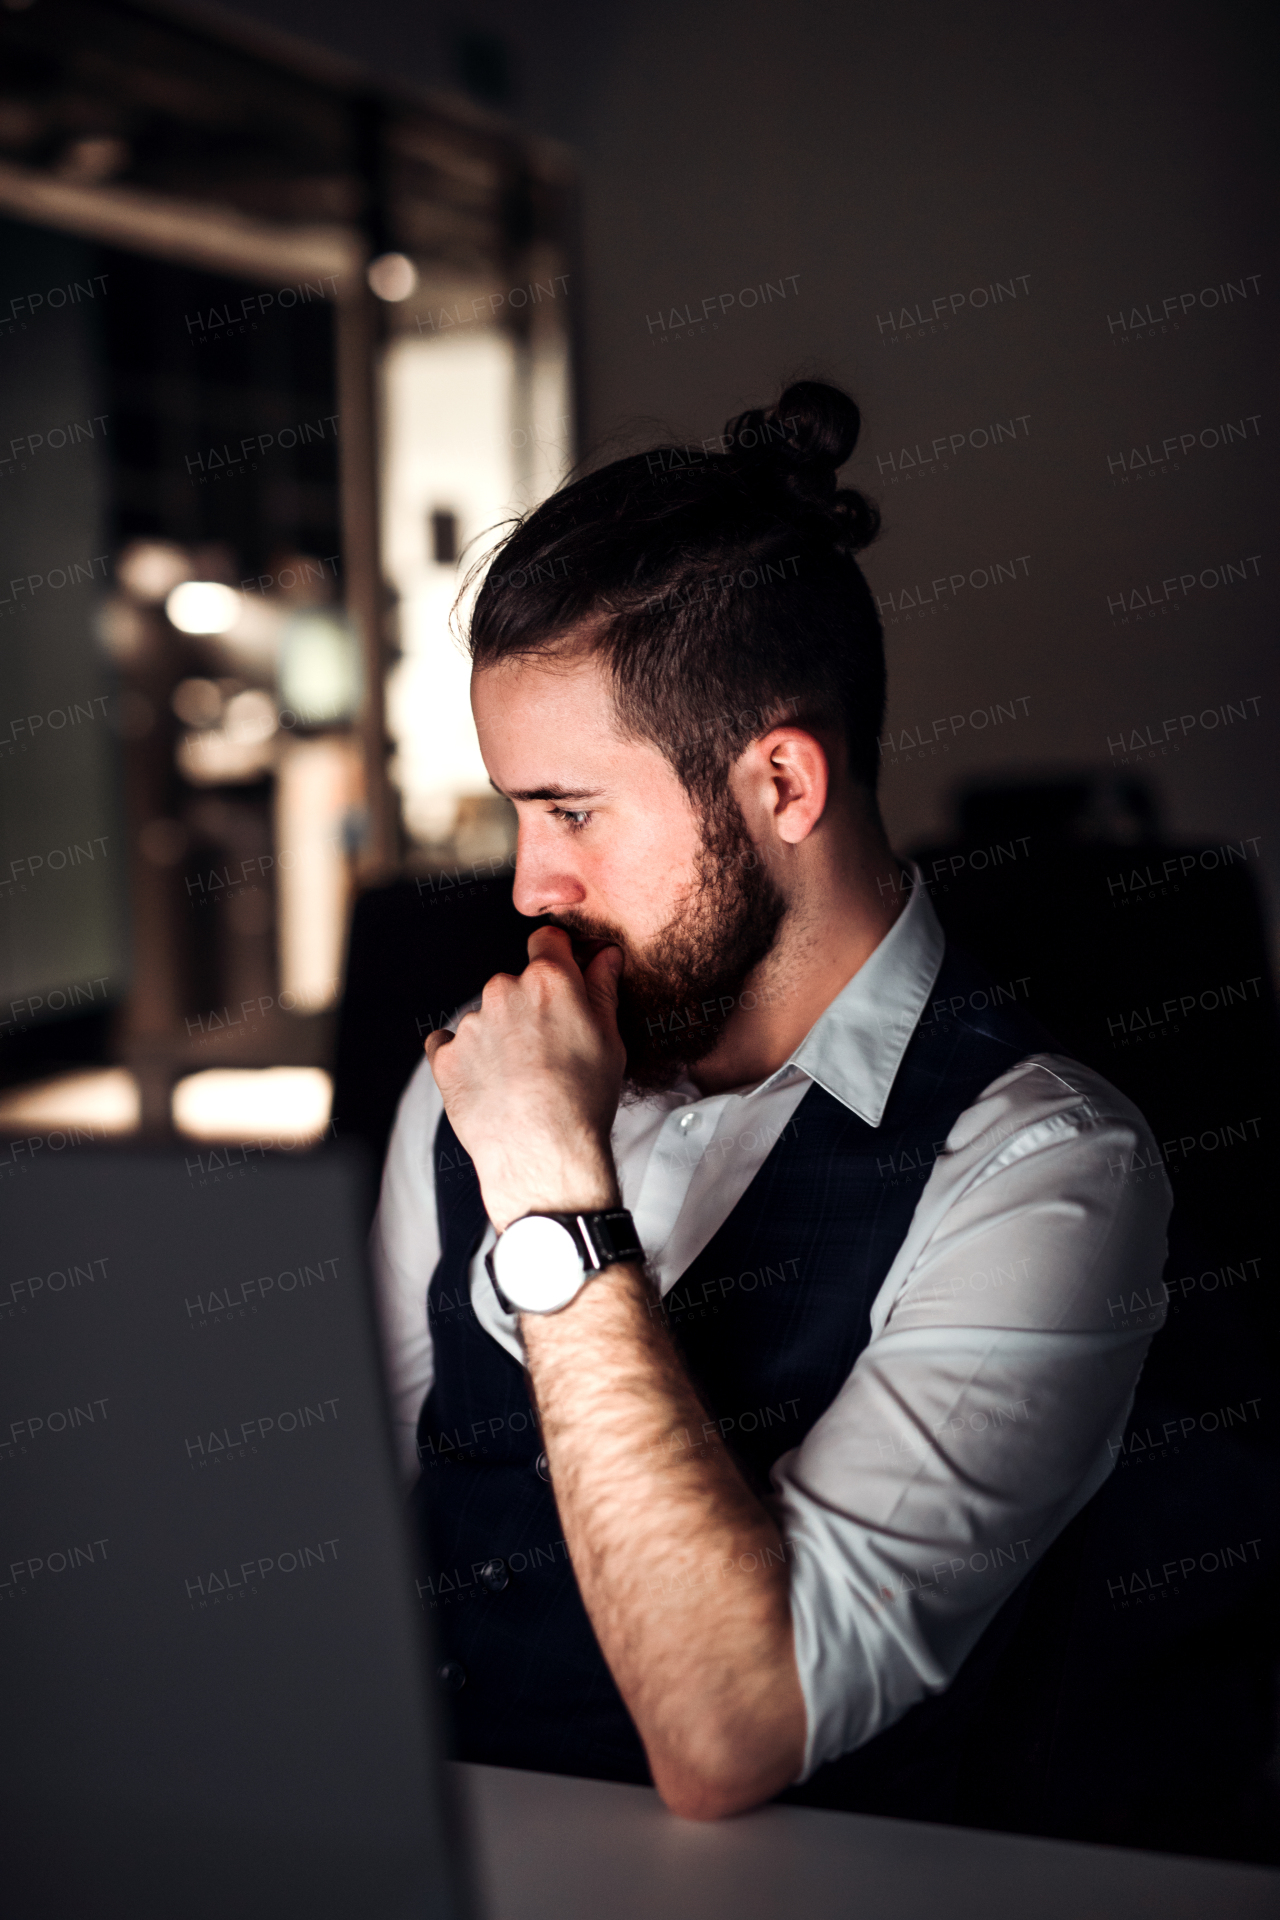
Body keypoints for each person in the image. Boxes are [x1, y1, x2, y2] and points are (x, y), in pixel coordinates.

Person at [372, 381, 1171, 1822]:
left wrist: (554, 1201)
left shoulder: (1047, 1168)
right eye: (513, 813)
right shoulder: (466, 1093)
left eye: (569, 813)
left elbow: (737, 1730)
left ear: (784, 782)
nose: (527, 888)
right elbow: (359, 1564)